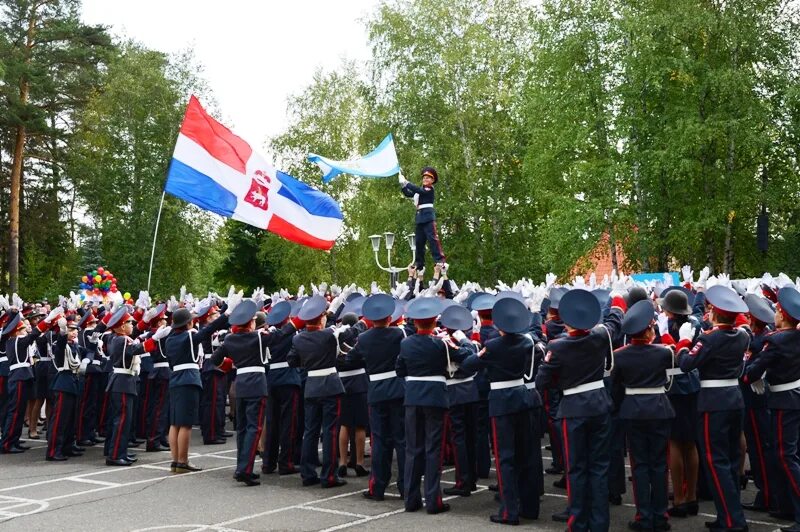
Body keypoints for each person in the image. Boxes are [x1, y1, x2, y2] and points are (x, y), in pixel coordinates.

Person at [535, 288, 625, 531]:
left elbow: (542, 381)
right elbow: (615, 321)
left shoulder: (557, 346)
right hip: (598, 405)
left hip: (573, 409)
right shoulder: (599, 336)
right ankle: (599, 523)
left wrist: (560, 381)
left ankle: (578, 520)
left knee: (576, 468)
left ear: (566, 320)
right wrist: (616, 301)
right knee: (599, 468)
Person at [675, 285, 749, 532]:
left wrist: (684, 340)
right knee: (729, 461)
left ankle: (731, 521)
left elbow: (686, 363)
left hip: (714, 402)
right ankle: (730, 515)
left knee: (716, 462)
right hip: (734, 399)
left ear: (715, 313)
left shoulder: (710, 338)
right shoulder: (742, 335)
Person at [462, 297, 539, 525]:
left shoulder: (494, 345)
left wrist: (475, 352)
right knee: (526, 456)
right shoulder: (527, 342)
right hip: (522, 398)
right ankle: (529, 507)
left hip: (502, 402)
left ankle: (509, 511)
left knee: (506, 458)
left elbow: (469, 365)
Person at [395, 297, 473, 515]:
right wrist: (462, 340)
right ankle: (433, 500)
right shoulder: (441, 343)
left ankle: (411, 499)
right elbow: (465, 355)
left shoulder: (406, 343)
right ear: (433, 322)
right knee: (433, 450)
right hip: (436, 398)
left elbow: (400, 369)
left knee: (413, 449)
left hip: (413, 398)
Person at [210, 298, 295, 486]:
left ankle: (241, 466)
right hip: (256, 383)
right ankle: (245, 469)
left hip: (240, 384)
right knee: (253, 427)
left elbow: (215, 360)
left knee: (242, 428)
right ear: (250, 323)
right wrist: (296, 321)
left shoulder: (230, 339)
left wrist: (234, 364)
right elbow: (282, 334)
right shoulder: (257, 337)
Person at [287, 295, 365, 489]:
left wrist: (309, 361)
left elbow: (292, 360)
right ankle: (328, 475)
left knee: (310, 431)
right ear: (321, 318)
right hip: (330, 384)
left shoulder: (298, 338)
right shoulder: (329, 334)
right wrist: (362, 321)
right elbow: (351, 333)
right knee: (329, 431)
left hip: (311, 385)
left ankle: (307, 473)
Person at [610, 300, 675, 532]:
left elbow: (614, 387)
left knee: (639, 467)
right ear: (650, 329)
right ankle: (660, 515)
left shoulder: (620, 355)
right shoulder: (664, 353)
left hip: (633, 411)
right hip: (659, 408)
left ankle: (644, 517)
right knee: (659, 465)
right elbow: (671, 380)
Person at [742, 286, 800, 532]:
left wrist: (750, 373)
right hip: (795, 397)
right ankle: (789, 505)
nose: (773, 314)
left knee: (785, 457)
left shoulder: (774, 341)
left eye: (777, 310)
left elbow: (752, 371)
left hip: (783, 401)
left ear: (783, 316)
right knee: (792, 454)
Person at [345, 293, 407, 501]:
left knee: (380, 441)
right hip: (397, 389)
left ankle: (378, 487)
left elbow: (351, 359)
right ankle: (405, 487)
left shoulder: (363, 338)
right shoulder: (399, 334)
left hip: (377, 390)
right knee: (401, 440)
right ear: (390, 318)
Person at [655, 287, 702, 518]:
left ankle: (680, 499)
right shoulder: (694, 324)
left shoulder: (666, 327)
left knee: (675, 443)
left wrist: (662, 334)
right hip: (693, 385)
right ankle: (691, 496)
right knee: (690, 443)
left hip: (674, 387)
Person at [164, 306, 228, 473]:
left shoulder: (170, 339)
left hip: (175, 378)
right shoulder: (189, 337)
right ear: (188, 323)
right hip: (188, 379)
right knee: (185, 424)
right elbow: (209, 330)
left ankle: (175, 460)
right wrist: (227, 314)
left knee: (174, 423)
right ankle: (183, 461)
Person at [104, 306, 170, 466]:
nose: (132, 325)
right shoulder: (121, 340)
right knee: (121, 420)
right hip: (122, 382)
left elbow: (135, 337)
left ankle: (120, 451)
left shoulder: (118, 337)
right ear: (121, 326)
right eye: (129, 323)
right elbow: (136, 349)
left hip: (123, 381)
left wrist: (146, 323)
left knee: (123, 420)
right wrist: (154, 339)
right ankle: (115, 455)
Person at [1, 306, 63, 453]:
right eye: (23, 329)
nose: (26, 331)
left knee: (20, 411)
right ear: (16, 331)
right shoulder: (16, 341)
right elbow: (35, 333)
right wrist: (48, 320)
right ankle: (7, 443)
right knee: (15, 412)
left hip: (23, 376)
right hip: (19, 377)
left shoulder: (16, 340)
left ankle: (13, 440)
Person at [439, 303, 480, 497]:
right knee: (467, 438)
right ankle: (468, 478)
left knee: (461, 439)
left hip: (456, 391)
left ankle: (465, 480)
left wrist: (464, 341)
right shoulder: (459, 340)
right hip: (468, 390)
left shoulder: (455, 342)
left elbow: (470, 355)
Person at [262, 300, 302, 475]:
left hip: (272, 380)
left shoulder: (265, 335)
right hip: (288, 379)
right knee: (288, 423)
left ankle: (268, 462)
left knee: (272, 423)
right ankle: (285, 462)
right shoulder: (289, 335)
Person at [46, 315, 83, 461]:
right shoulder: (60, 344)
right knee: (60, 420)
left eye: (76, 330)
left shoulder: (74, 345)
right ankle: (53, 450)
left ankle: (67, 446)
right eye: (71, 329)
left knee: (70, 419)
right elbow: (61, 344)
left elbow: (87, 351)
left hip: (73, 382)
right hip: (63, 383)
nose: (74, 332)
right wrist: (62, 331)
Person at [399, 167, 445, 273]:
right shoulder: (420, 191)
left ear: (432, 180)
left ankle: (439, 260)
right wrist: (402, 185)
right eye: (424, 177)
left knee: (433, 239)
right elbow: (408, 193)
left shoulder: (429, 189)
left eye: (428, 178)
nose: (425, 179)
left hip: (428, 217)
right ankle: (419, 263)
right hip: (420, 218)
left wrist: (406, 182)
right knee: (419, 242)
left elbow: (419, 190)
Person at [197, 302, 231, 445]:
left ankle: (218, 429)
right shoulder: (205, 329)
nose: (217, 316)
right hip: (211, 365)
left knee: (220, 400)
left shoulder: (210, 328)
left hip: (217, 365)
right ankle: (211, 434)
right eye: (214, 315)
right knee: (212, 402)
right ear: (207, 317)